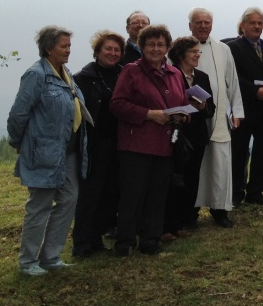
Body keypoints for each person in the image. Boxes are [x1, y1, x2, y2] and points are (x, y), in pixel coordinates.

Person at [8, 25, 89, 276]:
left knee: (68, 200)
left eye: (69, 46)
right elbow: (18, 114)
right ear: (48, 48)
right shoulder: (36, 75)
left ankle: (51, 257)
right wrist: (18, 142)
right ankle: (28, 262)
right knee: (40, 205)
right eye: (63, 46)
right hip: (43, 152)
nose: (68, 50)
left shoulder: (65, 74)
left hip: (69, 153)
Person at [110, 24, 189, 256]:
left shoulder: (175, 74)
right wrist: (148, 114)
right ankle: (124, 244)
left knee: (157, 195)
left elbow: (181, 101)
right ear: (142, 47)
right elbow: (117, 104)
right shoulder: (131, 71)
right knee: (132, 197)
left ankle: (150, 242)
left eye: (161, 44)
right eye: (151, 44)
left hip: (165, 144)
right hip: (137, 145)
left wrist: (184, 115)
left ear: (167, 47)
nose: (156, 48)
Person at [189, 7, 245, 228]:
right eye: (198, 22)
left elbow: (232, 81)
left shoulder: (223, 49)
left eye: (207, 22)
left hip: (219, 115)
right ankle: (190, 209)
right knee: (196, 163)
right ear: (190, 25)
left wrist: (237, 112)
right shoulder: (181, 48)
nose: (203, 26)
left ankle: (219, 209)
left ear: (211, 25)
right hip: (193, 115)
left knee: (220, 162)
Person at [72, 30, 125, 257]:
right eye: (108, 49)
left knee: (111, 193)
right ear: (97, 51)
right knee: (91, 194)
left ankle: (97, 238)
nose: (112, 53)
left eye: (116, 50)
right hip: (95, 144)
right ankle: (82, 243)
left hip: (120, 143)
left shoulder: (125, 75)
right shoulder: (82, 78)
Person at [227, 7, 263, 206]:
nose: (257, 26)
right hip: (244, 108)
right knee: (239, 153)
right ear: (243, 26)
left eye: (260, 23)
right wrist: (254, 91)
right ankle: (234, 193)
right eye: (253, 23)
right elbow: (233, 78)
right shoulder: (232, 48)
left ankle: (255, 192)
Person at [163, 35, 214, 238]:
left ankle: (186, 220)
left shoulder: (202, 77)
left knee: (192, 178)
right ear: (181, 54)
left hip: (197, 135)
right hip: (177, 135)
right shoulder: (170, 74)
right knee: (174, 179)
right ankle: (168, 223)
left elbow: (211, 109)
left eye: (198, 52)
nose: (197, 55)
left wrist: (203, 107)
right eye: (193, 52)